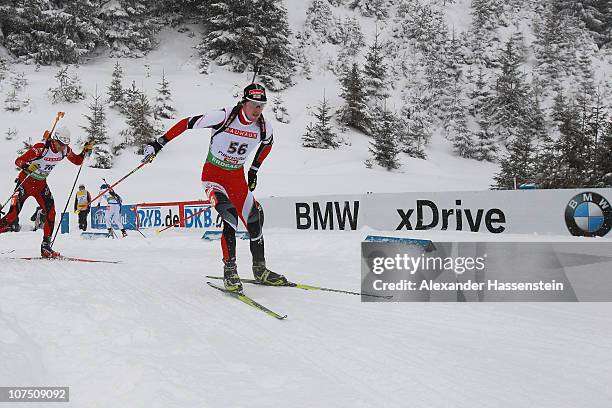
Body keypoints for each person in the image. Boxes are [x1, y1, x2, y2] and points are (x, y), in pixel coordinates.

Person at [143, 83, 288, 293]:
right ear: (244, 102)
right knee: (230, 217)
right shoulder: (224, 116)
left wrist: (254, 170)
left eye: (261, 106)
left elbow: (268, 143)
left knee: (254, 219)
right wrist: (159, 143)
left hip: (236, 177)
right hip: (214, 177)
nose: (258, 110)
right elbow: (187, 123)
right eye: (254, 105)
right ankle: (230, 270)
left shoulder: (264, 127)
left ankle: (260, 269)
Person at [0, 126, 93, 257]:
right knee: (12, 217)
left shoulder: (65, 150)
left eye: (65, 144)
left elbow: (77, 161)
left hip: (41, 185)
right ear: (55, 140)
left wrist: (85, 151)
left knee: (51, 212)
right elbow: (18, 161)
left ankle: (46, 247)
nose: (63, 147)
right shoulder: (41, 148)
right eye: (60, 143)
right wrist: (27, 166)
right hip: (25, 183)